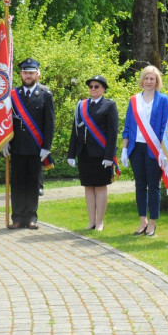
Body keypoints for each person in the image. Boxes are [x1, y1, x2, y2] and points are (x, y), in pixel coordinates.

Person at [122, 65, 168, 237]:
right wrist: (124, 148)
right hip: (136, 148)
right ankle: (142, 220)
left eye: (152, 79)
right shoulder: (134, 100)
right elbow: (128, 126)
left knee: (154, 186)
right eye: (146, 78)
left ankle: (152, 222)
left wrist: (163, 151)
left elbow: (165, 127)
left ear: (157, 81)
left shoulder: (163, 100)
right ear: (142, 81)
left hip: (154, 149)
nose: (149, 81)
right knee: (140, 185)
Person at [9, 58, 55, 230]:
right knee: (17, 183)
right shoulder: (13, 94)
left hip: (36, 147)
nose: (28, 76)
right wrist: (5, 142)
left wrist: (46, 146)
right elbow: (7, 120)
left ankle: (31, 217)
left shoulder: (45, 94)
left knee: (33, 183)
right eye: (25, 73)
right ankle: (17, 217)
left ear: (37, 74)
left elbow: (49, 123)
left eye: (31, 73)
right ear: (21, 74)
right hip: (17, 146)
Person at [68, 75, 118, 231]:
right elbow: (75, 131)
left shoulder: (109, 105)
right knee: (88, 187)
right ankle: (91, 221)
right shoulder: (81, 105)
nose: (93, 89)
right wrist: (71, 154)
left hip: (101, 154)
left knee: (100, 187)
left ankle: (100, 222)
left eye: (97, 86)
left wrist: (109, 156)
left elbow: (113, 132)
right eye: (91, 86)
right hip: (84, 153)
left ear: (103, 89)